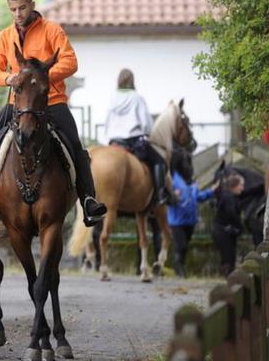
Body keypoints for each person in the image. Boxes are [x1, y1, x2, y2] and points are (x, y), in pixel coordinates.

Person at [0, 0, 107, 226]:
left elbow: (71, 61)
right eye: (13, 9)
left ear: (32, 5)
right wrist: (7, 78)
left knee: (76, 145)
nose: (18, 13)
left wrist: (40, 79)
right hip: (17, 104)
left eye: (22, 7)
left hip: (51, 101)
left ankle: (88, 201)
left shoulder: (52, 30)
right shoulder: (5, 36)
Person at [105, 68, 171, 204]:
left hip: (114, 142)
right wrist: (148, 132)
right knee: (159, 161)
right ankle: (160, 195)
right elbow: (146, 123)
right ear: (132, 81)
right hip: (133, 142)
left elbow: (107, 122)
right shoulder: (137, 98)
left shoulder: (112, 98)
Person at [167, 148, 214, 277]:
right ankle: (179, 269)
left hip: (190, 220)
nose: (187, 165)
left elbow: (198, 196)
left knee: (185, 247)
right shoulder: (172, 179)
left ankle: (180, 266)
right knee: (180, 245)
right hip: (177, 221)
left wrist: (212, 191)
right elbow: (165, 198)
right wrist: (173, 196)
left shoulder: (191, 181)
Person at [213, 173, 244, 277]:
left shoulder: (232, 196)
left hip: (226, 230)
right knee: (228, 256)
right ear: (235, 186)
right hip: (222, 230)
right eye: (241, 185)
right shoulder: (228, 197)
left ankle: (227, 276)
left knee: (229, 256)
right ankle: (227, 277)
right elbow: (231, 213)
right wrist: (239, 226)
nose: (242, 188)